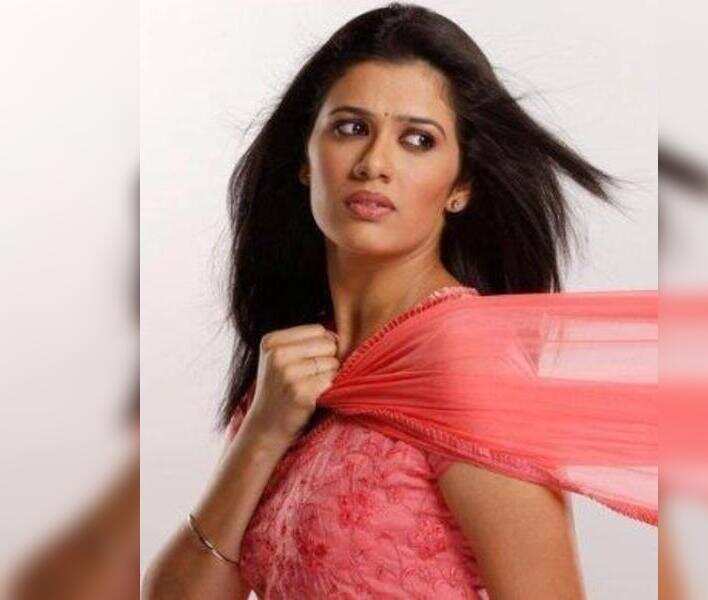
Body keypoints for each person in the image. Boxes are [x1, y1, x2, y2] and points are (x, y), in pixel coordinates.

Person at [143, 3, 637, 598]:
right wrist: (262, 433)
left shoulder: (466, 361)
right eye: (350, 128)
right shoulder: (290, 375)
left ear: (460, 185)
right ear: (305, 159)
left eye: (418, 140)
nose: (374, 164)